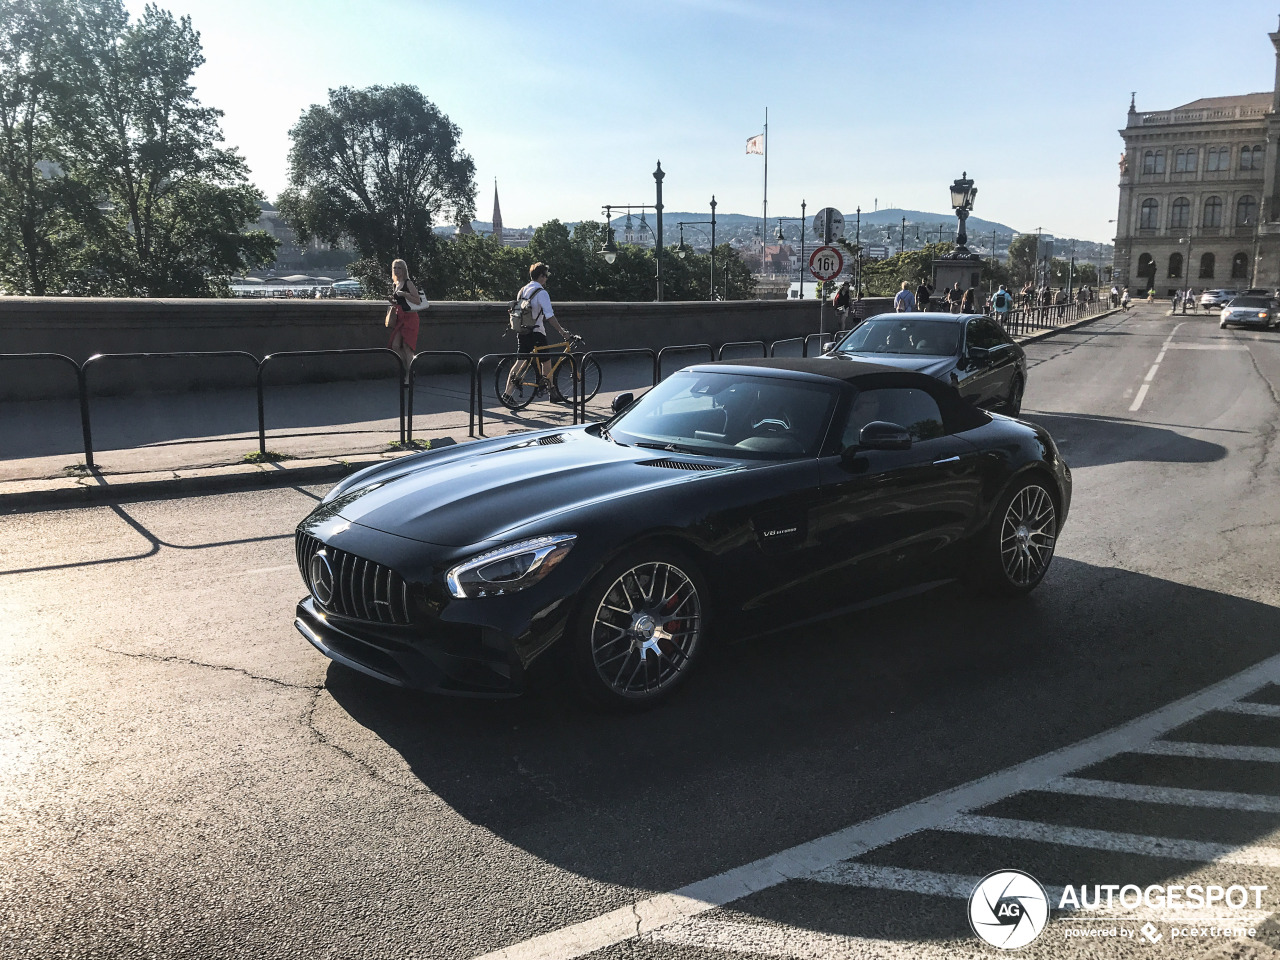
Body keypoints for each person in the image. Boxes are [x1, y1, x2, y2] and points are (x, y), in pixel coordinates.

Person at [504, 261, 573, 402]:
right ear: (541, 276)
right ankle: (551, 393)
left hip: (522, 330)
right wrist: (562, 332)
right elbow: (550, 316)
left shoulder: (522, 290)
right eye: (546, 276)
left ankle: (507, 394)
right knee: (546, 362)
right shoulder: (542, 293)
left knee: (520, 361)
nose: (546, 278)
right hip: (536, 332)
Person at [387, 258, 427, 384]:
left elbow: (417, 301)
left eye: (399, 268)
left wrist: (404, 294)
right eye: (395, 268)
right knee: (395, 345)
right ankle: (408, 369)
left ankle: (408, 376)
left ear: (404, 270)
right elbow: (401, 302)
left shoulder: (407, 283)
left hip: (410, 318)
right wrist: (393, 302)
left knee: (407, 347)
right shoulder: (395, 283)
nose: (397, 270)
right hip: (400, 317)